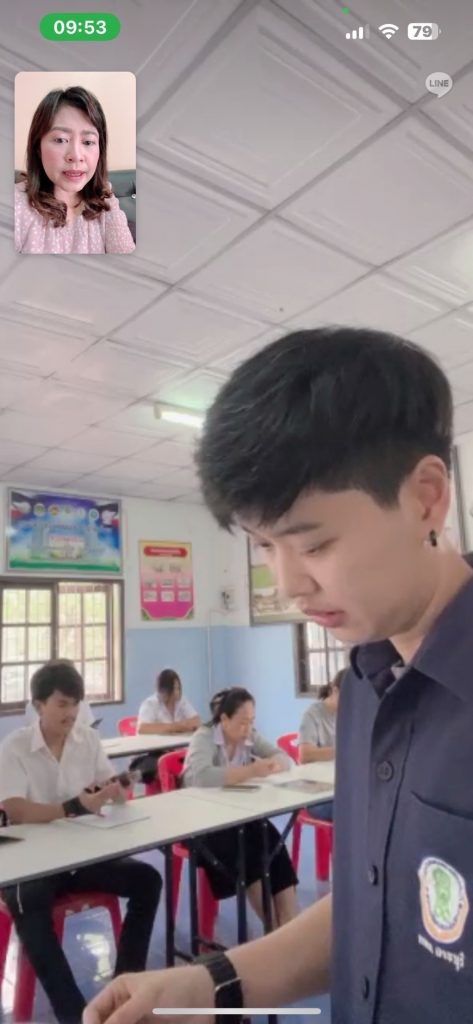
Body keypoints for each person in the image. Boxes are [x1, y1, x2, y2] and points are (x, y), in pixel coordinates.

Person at [84, 325, 473, 1024]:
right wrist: (209, 985)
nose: (288, 584)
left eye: (313, 543)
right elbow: (374, 905)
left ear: (425, 497)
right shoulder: (365, 686)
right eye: (264, 546)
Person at [0, 658, 161, 1024]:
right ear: (38, 705)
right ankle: (75, 1015)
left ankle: (122, 993)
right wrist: (73, 807)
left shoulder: (87, 738)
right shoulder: (15, 747)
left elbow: (106, 786)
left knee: (148, 881)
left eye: (75, 704)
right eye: (61, 704)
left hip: (80, 855)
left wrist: (116, 790)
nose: (70, 713)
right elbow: (17, 810)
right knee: (30, 903)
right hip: (32, 861)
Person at [182, 687, 298, 928]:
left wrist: (275, 764)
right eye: (242, 722)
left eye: (252, 721)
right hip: (205, 825)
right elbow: (201, 777)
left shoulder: (249, 736)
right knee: (248, 855)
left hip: (240, 816)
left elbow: (283, 757)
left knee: (273, 842)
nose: (248, 729)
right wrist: (251, 771)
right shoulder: (204, 737)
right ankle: (274, 927)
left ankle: (290, 922)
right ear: (224, 719)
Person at [15, 85, 135, 254]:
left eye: (88, 142)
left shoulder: (105, 200)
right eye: (60, 140)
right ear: (37, 147)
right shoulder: (15, 205)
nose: (76, 156)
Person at [298, 669, 344, 823]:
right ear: (334, 691)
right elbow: (305, 755)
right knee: (355, 810)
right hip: (316, 795)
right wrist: (345, 751)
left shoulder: (351, 714)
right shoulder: (313, 714)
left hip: (340, 787)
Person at [137, 668, 201, 736]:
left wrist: (173, 727)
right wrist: (176, 727)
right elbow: (142, 728)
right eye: (173, 689)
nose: (176, 693)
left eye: (178, 688)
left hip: (178, 740)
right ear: (162, 690)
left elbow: (196, 721)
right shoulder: (150, 704)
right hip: (156, 742)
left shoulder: (181, 701)